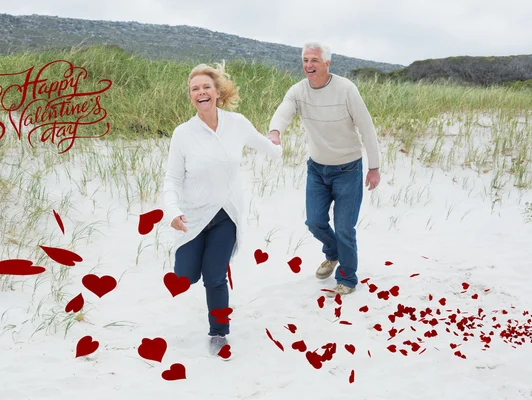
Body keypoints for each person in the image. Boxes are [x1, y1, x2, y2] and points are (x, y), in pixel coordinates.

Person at [163, 61, 283, 357]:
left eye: (206, 87)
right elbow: (172, 178)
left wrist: (277, 143)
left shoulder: (237, 123)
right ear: (190, 96)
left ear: (217, 92)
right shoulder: (183, 133)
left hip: (226, 214)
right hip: (193, 216)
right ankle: (200, 266)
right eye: (194, 89)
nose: (200, 92)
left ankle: (219, 332)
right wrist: (172, 210)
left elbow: (266, 146)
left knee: (214, 275)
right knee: (187, 276)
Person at [267, 42, 381, 298]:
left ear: (327, 64)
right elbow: (284, 111)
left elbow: (367, 128)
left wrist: (373, 167)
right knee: (315, 221)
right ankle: (333, 253)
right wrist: (275, 132)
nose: (309, 65)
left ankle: (347, 279)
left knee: (344, 228)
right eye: (306, 60)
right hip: (317, 170)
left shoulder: (346, 89)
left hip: (348, 170)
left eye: (314, 60)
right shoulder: (298, 91)